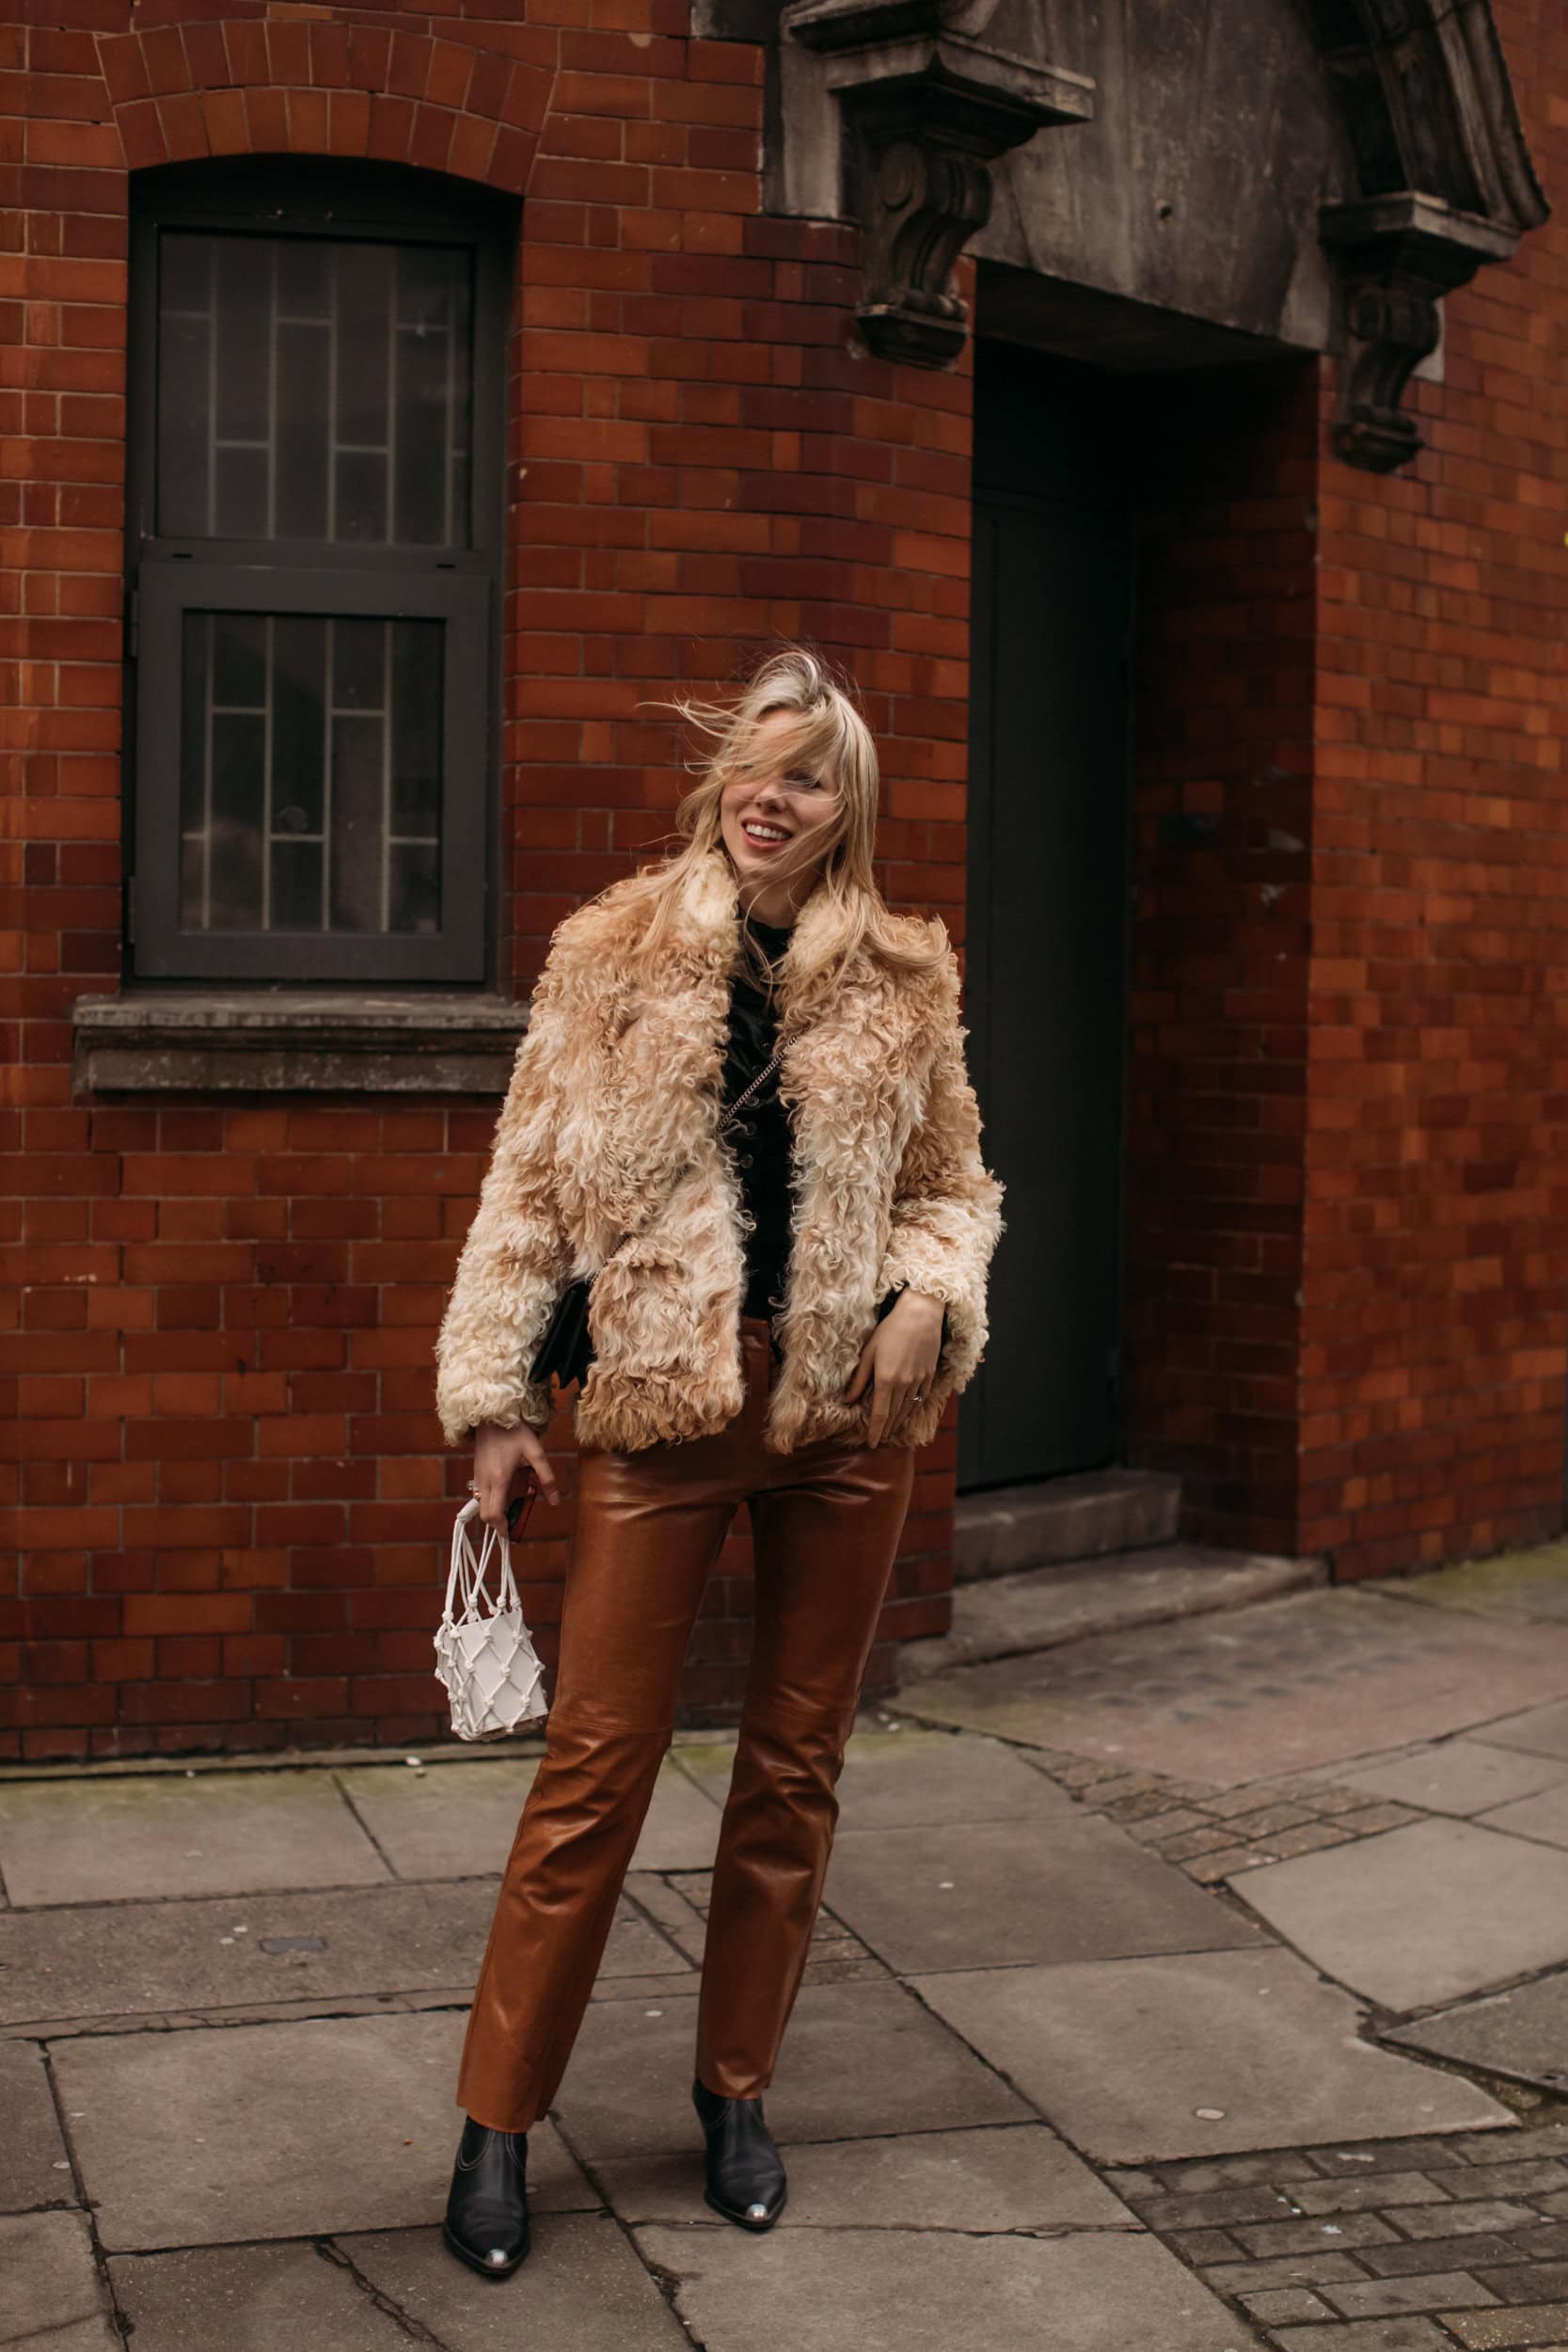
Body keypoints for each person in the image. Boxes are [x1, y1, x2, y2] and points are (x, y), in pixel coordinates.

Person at [432, 644, 1006, 2279]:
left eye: (810, 776)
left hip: (844, 1419)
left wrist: (930, 1294)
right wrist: (494, 1399)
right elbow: (527, 1188)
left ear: (848, 808)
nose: (776, 795)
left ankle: (735, 2092)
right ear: (722, 779)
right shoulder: (608, 952)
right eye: (760, 764)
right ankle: (495, 2122)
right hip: (661, 1411)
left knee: (796, 1766)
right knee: (595, 1769)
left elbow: (956, 1183)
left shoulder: (904, 973)